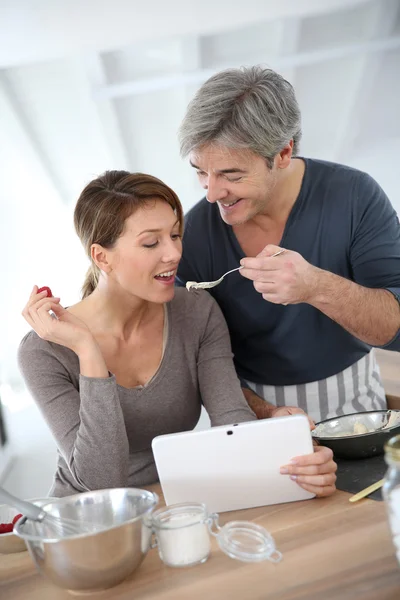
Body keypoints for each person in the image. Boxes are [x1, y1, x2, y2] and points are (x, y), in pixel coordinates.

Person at [18, 171, 336, 498]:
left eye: (175, 235)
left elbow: (233, 423)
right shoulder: (44, 351)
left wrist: (295, 461)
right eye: (151, 242)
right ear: (102, 257)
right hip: (87, 521)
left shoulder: (197, 311)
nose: (173, 254)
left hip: (174, 502)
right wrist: (88, 351)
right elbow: (101, 483)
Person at [176, 66, 400, 425]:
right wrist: (268, 414)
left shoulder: (355, 196)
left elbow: (396, 330)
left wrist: (316, 286)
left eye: (231, 175)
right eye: (201, 171)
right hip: (255, 420)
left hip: (361, 408)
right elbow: (193, 359)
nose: (212, 192)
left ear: (282, 153)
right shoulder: (193, 234)